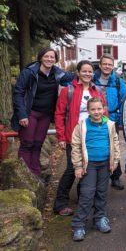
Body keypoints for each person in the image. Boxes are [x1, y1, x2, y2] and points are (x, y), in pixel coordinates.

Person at [53, 60, 107, 216]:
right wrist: (61, 137)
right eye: (84, 71)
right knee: (72, 169)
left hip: (93, 137)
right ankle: (60, 203)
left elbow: (104, 114)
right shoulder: (68, 91)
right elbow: (59, 114)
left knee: (88, 167)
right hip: (74, 136)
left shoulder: (96, 91)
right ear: (78, 72)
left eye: (90, 71)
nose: (87, 74)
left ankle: (83, 198)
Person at [12, 47, 75, 178]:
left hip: (45, 114)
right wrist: (22, 114)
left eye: (52, 57)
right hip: (30, 113)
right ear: (40, 57)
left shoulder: (57, 73)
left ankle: (35, 173)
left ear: (55, 60)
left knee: (38, 144)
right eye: (46, 56)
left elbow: (74, 76)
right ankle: (24, 175)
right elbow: (18, 93)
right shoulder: (29, 72)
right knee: (27, 143)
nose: (49, 59)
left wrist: (92, 72)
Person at [70, 97, 121, 241]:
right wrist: (78, 166)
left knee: (102, 192)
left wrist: (115, 160)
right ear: (88, 110)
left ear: (104, 109)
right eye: (93, 109)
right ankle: (79, 225)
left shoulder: (110, 124)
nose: (97, 112)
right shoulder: (82, 125)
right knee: (87, 193)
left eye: (99, 109)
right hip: (89, 165)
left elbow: (115, 143)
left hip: (105, 164)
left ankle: (100, 218)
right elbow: (75, 146)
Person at [93, 54, 126, 190]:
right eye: (105, 64)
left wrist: (119, 117)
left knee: (114, 146)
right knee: (97, 146)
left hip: (112, 118)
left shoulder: (118, 81)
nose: (107, 66)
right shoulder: (92, 79)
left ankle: (115, 176)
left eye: (109, 64)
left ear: (113, 66)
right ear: (100, 65)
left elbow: (123, 100)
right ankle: (95, 177)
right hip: (95, 117)